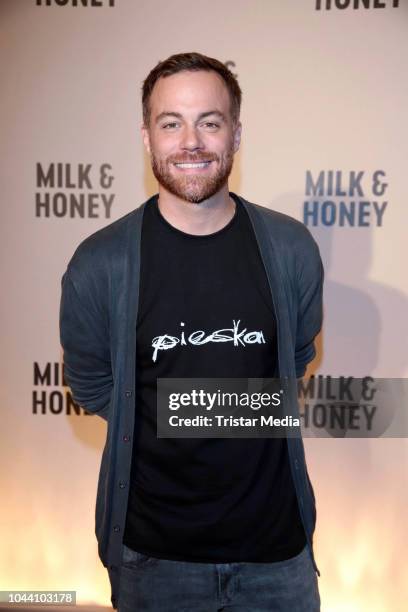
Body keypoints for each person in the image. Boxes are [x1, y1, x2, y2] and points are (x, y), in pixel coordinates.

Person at [60, 52, 324, 611]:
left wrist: (192, 409)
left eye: (210, 121)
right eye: (171, 123)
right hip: (154, 561)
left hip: (277, 557)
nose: (192, 142)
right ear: (147, 136)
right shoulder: (100, 263)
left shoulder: (291, 248)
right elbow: (92, 386)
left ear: (236, 133)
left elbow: (295, 357)